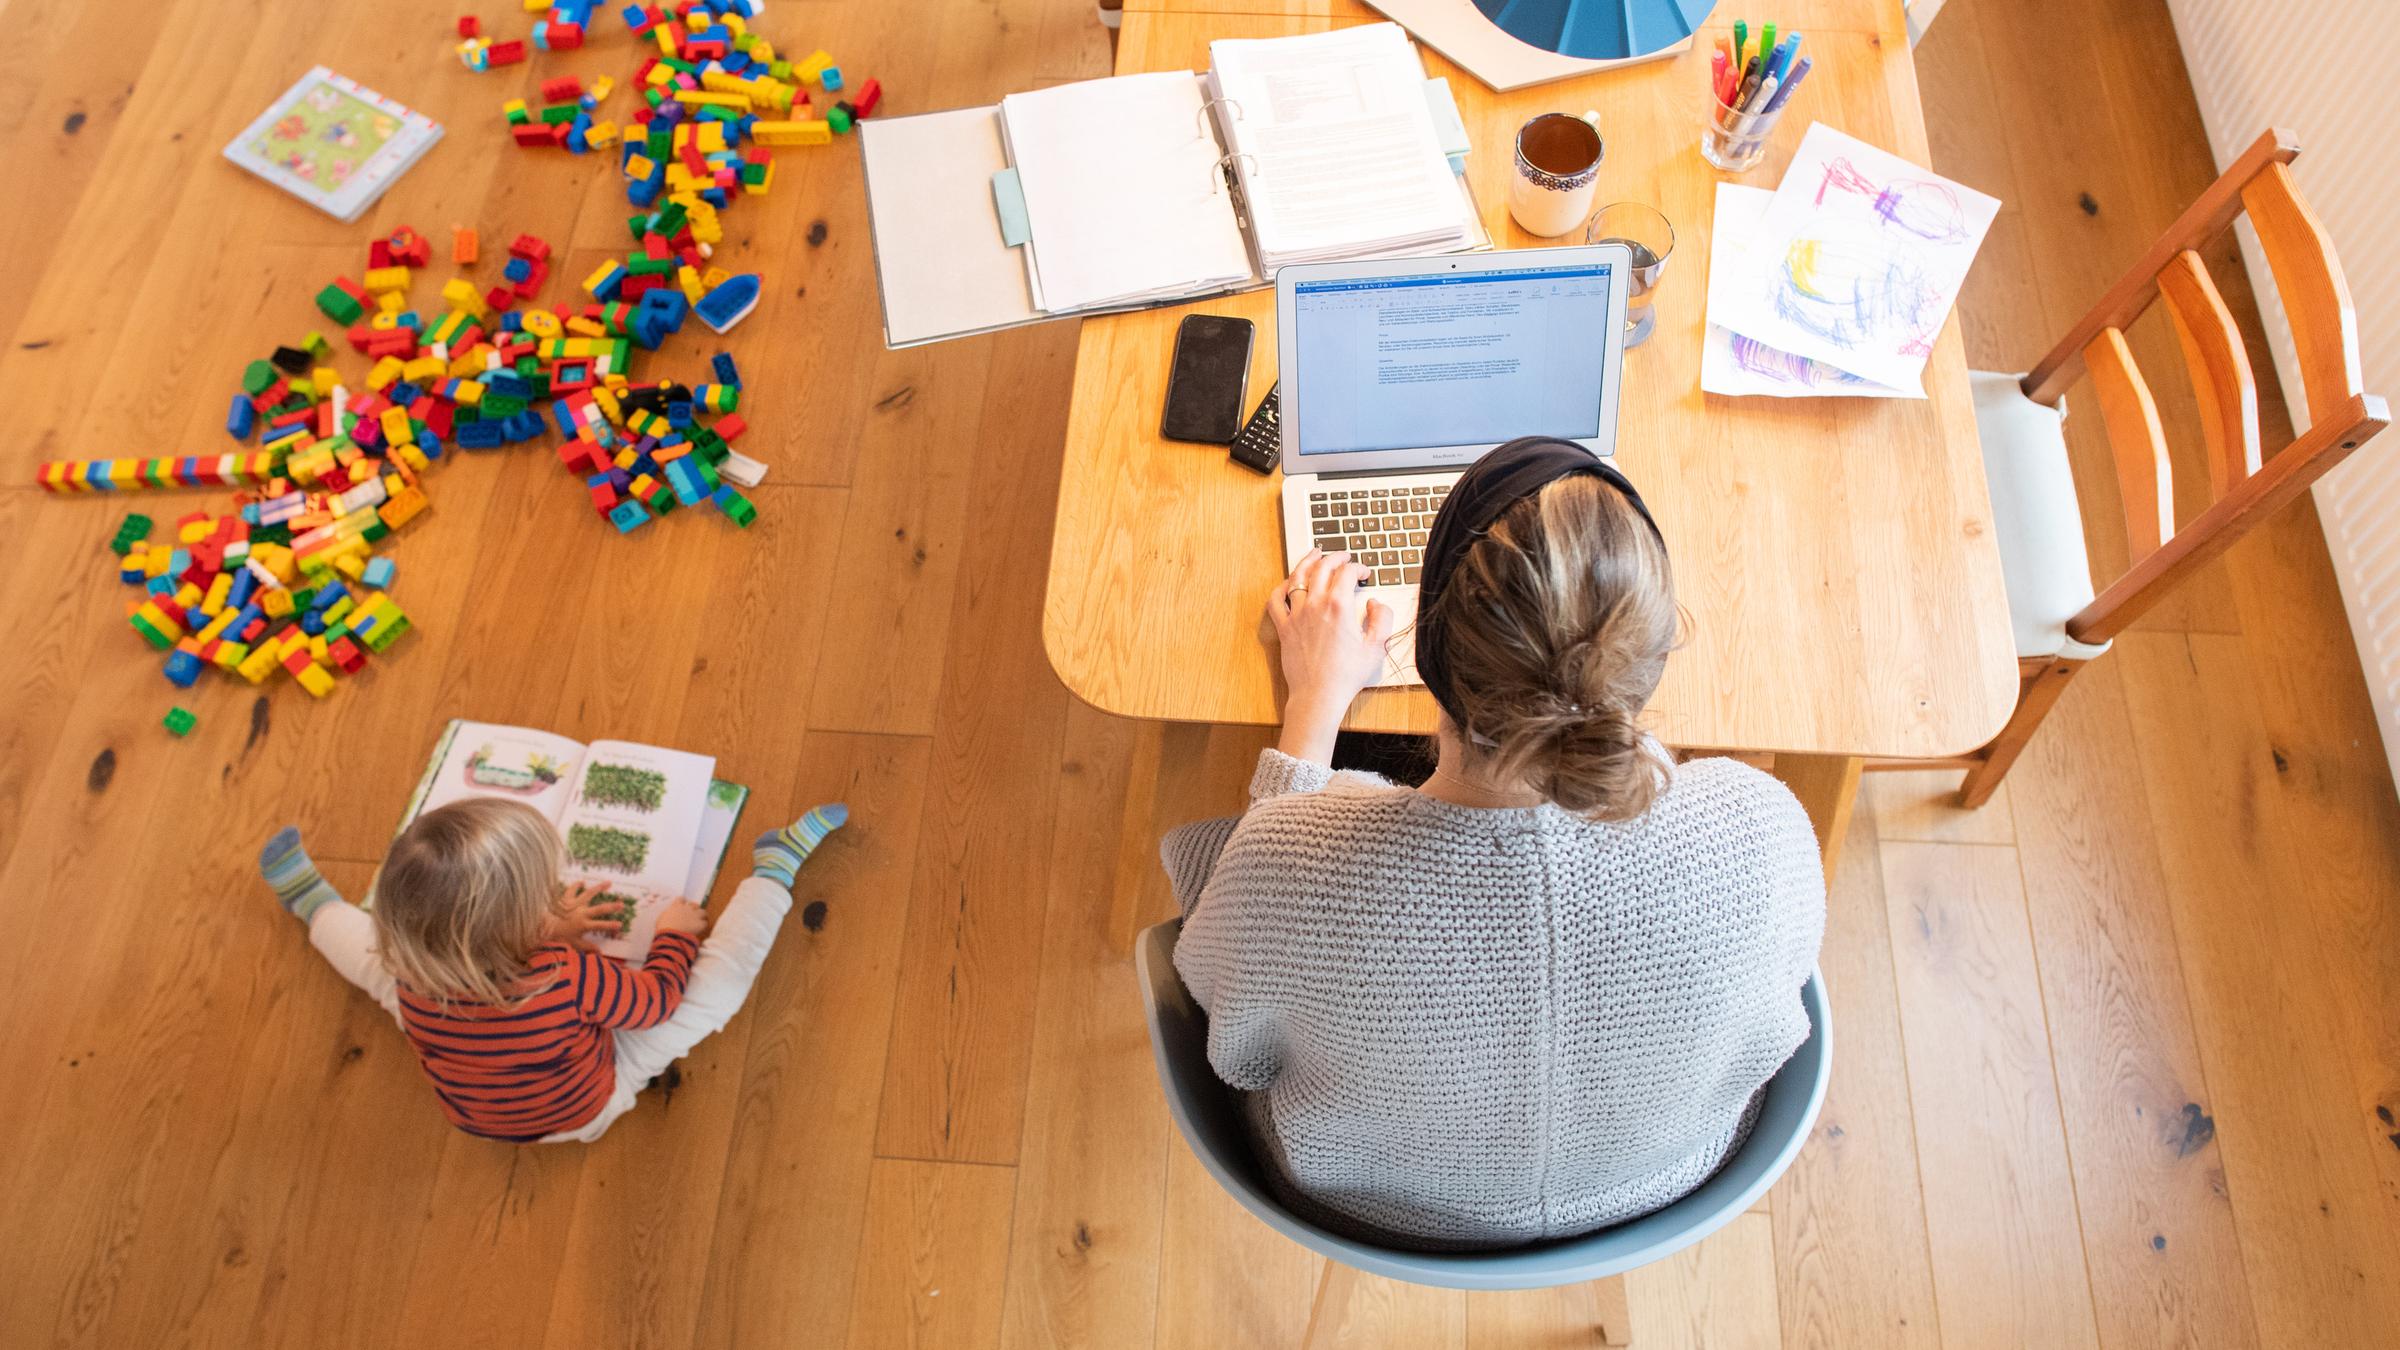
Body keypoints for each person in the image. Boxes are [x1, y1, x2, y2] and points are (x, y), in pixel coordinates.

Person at [1163, 436, 1826, 1250]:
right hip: (1662, 1185)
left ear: (1431, 654)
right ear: (1648, 662)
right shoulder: (1758, 829)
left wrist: (1313, 710)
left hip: (1368, 1205)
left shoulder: (1293, 868)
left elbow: (1228, 1027)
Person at [257, 797, 846, 1143]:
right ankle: (775, 869)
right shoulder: (562, 975)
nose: (557, 898)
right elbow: (658, 1001)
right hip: (585, 1109)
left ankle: (312, 904)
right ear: (523, 931)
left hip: (473, 1113)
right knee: (714, 991)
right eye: (547, 896)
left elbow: (479, 951)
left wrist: (545, 925)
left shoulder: (414, 968)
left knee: (372, 964)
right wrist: (670, 937)